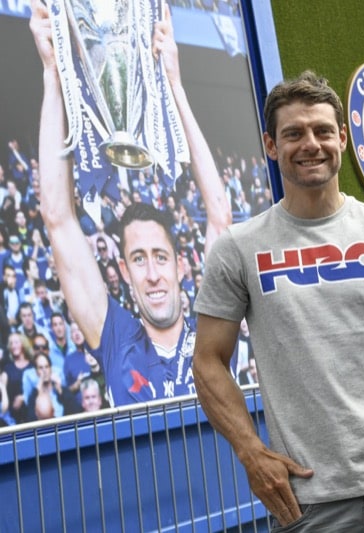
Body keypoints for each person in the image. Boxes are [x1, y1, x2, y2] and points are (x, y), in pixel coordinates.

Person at [192, 71, 364, 531]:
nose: (310, 144)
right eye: (293, 134)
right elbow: (207, 361)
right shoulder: (238, 248)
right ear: (271, 145)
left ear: (342, 138)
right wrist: (251, 452)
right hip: (310, 503)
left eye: (322, 131)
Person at [30, 1, 231, 407]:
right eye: (138, 259)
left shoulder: (212, 334)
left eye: (160, 257)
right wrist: (52, 73)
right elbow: (57, 217)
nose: (153, 274)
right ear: (123, 270)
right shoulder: (114, 336)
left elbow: (220, 218)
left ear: (181, 265)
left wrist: (176, 85)